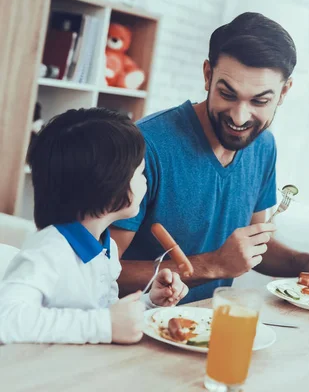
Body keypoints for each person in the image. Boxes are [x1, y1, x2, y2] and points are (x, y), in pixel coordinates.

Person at [110, 12, 309, 303]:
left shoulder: (263, 145)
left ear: (284, 92)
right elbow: (97, 273)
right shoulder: (144, 146)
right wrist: (213, 264)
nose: (239, 117)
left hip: (206, 329)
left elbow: (252, 248)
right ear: (208, 75)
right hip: (132, 330)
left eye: (259, 101)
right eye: (228, 94)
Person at [0, 108, 188, 345]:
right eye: (139, 173)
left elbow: (99, 313)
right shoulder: (49, 251)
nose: (146, 181)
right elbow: (6, 319)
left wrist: (148, 303)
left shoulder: (105, 247)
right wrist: (105, 325)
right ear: (107, 185)